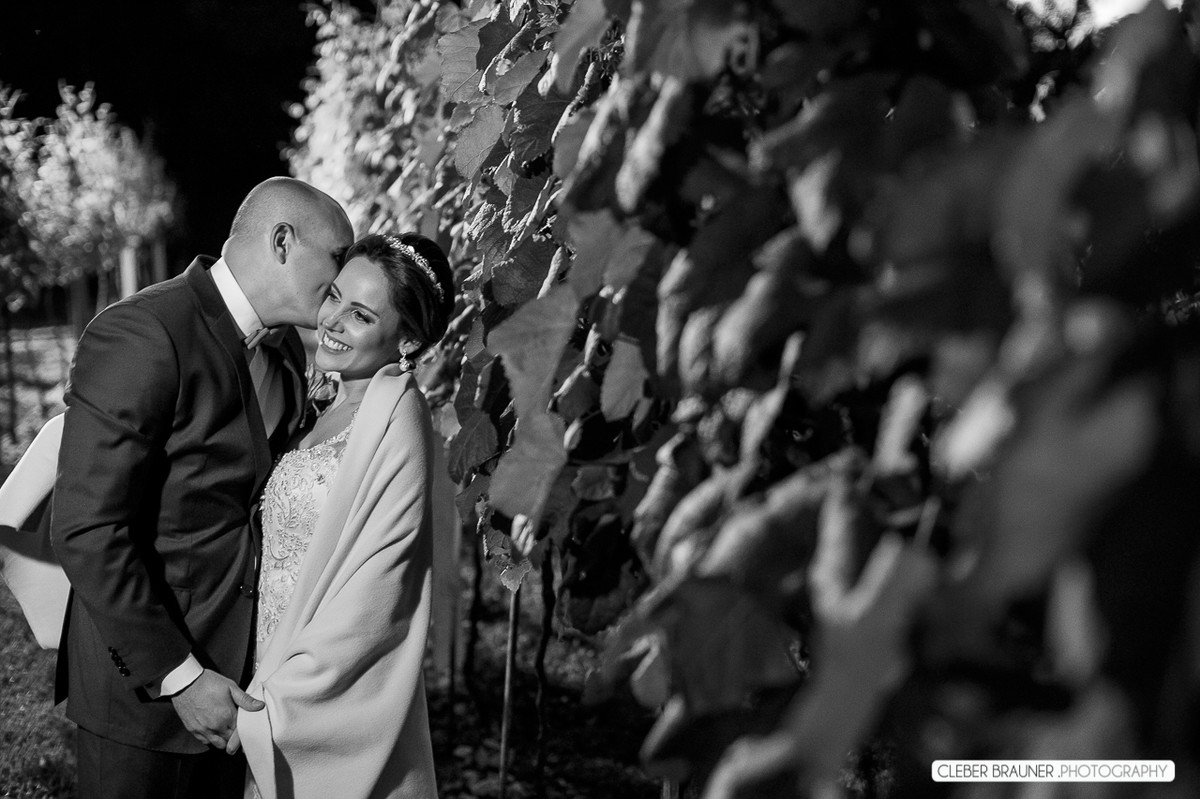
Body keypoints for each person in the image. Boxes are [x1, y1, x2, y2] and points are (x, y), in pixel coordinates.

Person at [50, 176, 354, 798]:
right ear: (281, 241)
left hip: (242, 695)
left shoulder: (289, 356)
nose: (345, 281)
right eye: (338, 258)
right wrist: (182, 679)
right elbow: (86, 527)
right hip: (145, 695)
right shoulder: (143, 333)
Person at [235, 232, 453, 799]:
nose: (331, 320)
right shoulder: (323, 398)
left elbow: (375, 599)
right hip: (265, 655)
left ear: (406, 339)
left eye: (359, 314)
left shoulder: (397, 418)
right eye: (333, 296)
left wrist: (279, 705)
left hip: (309, 693)